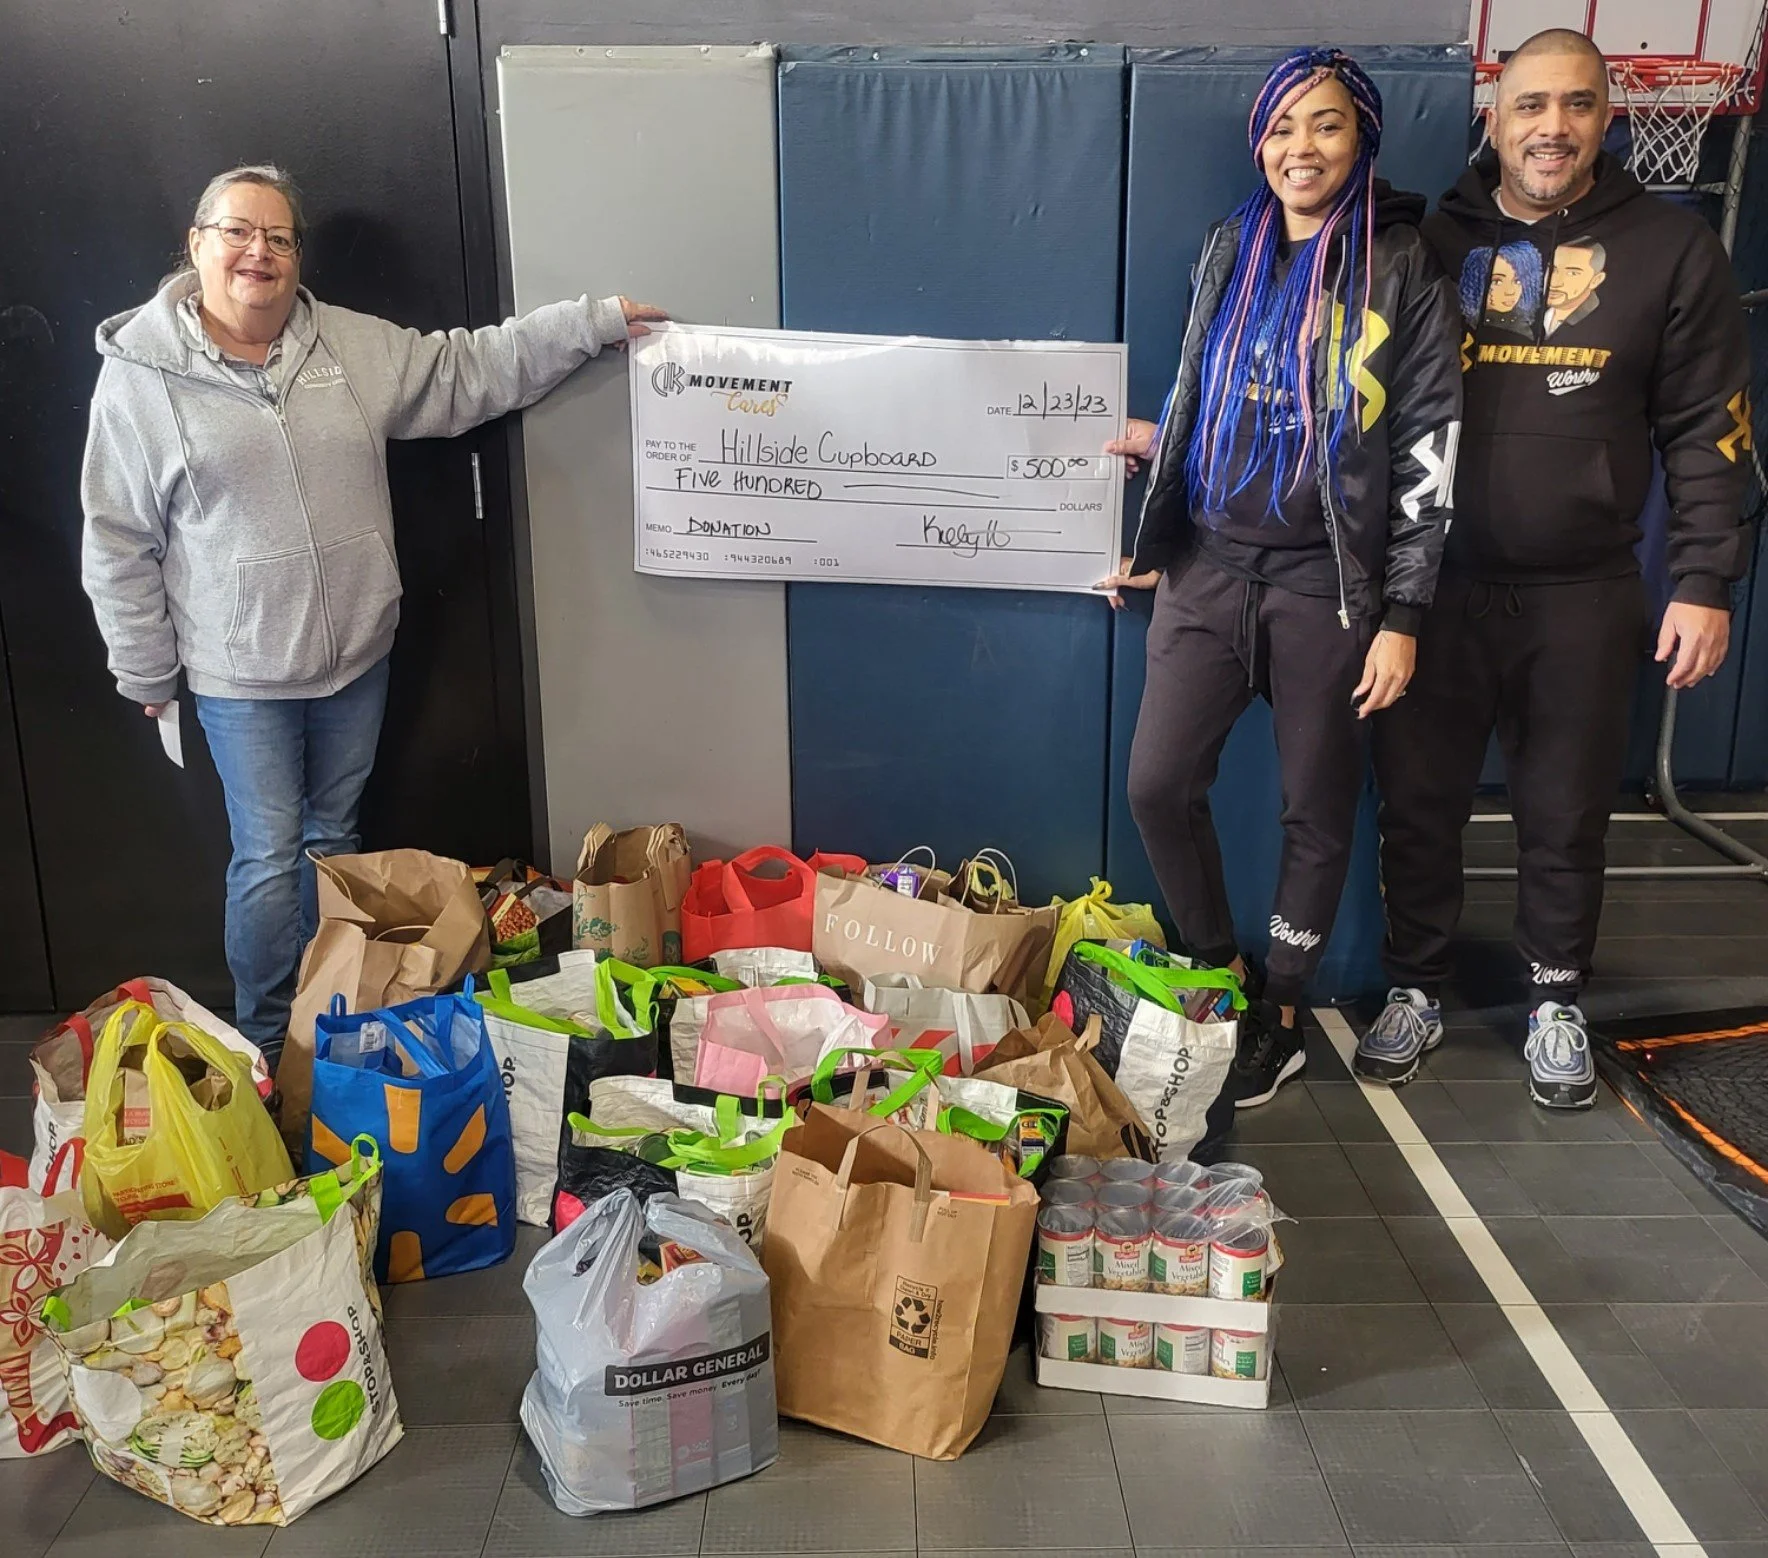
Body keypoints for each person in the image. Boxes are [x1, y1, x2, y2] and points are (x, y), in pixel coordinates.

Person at [80, 163, 666, 1061]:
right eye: (237, 232)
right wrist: (145, 671)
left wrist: (589, 323)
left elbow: (466, 369)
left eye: (278, 237)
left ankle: (330, 1027)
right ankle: (271, 1045)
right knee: (270, 862)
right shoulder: (141, 381)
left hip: (357, 655)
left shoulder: (347, 345)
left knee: (334, 845)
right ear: (196, 245)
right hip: (241, 676)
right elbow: (117, 538)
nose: (258, 253)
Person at [1356, 29, 1752, 1107]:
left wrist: (1705, 580)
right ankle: (1416, 986)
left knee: (1566, 809)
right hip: (1430, 589)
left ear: (1606, 117)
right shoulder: (1426, 243)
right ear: (1493, 115)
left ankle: (1553, 997)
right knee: (1419, 805)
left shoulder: (1673, 251)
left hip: (1582, 590)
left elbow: (1710, 430)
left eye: (1576, 105)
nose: (1552, 127)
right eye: (1530, 105)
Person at [1099, 48, 1463, 1108]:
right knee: (1157, 785)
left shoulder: (1403, 269)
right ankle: (1220, 968)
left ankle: (1286, 1008)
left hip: (1327, 588)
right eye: (1281, 129)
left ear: (1362, 142)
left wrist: (1399, 614)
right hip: (1210, 568)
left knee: (1315, 806)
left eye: (1325, 127)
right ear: (1258, 143)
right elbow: (1211, 395)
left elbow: (1427, 456)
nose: (1299, 149)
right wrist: (1157, 477)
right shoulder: (1231, 246)